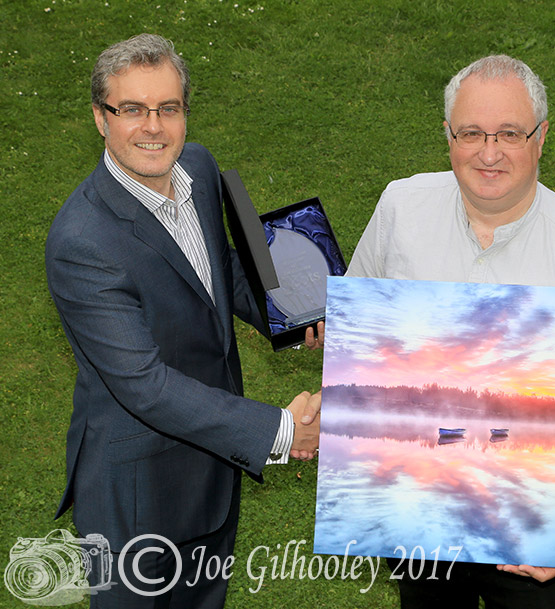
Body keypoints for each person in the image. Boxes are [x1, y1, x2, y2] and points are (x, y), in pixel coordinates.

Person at [320, 55, 555, 608]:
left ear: (541, 137)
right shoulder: (401, 209)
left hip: (537, 529)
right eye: (471, 133)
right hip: (420, 513)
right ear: (447, 135)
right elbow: (358, 328)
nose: (489, 153)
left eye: (509, 133)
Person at [45, 33, 319, 608]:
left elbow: (221, 276)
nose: (154, 127)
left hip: (213, 463)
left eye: (168, 108)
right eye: (133, 110)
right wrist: (282, 431)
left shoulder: (197, 167)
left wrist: (295, 316)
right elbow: (145, 386)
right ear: (100, 118)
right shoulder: (81, 242)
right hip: (135, 495)